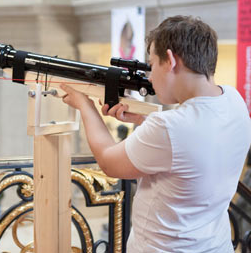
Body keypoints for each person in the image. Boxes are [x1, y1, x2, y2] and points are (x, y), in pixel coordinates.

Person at [61, 15, 251, 252]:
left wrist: (84, 104)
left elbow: (109, 162)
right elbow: (192, 145)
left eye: (151, 65)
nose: (150, 77)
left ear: (170, 60)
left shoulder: (170, 127)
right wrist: (144, 119)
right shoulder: (234, 100)